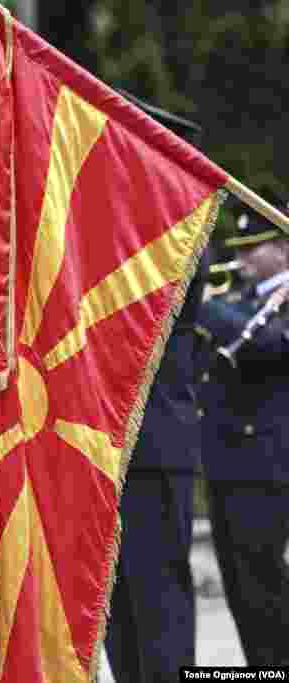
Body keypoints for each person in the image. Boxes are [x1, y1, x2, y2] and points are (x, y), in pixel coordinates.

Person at [103, 91, 210, 682]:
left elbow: (133, 312)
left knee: (159, 603)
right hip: (110, 445)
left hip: (153, 443)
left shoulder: (184, 235)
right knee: (118, 609)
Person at [196, 195, 289, 666]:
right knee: (239, 591)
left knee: (264, 584)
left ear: (284, 246)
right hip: (225, 459)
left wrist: (201, 304)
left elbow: (268, 346)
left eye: (256, 247)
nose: (245, 257)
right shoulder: (240, 299)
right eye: (241, 247)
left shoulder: (270, 302)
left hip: (267, 462)